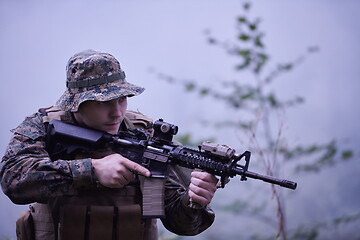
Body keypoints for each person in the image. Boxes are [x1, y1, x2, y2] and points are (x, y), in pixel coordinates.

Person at [0, 50, 219, 240]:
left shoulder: (144, 134)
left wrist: (194, 202)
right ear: (76, 104)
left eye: (122, 100)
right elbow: (13, 180)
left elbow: (180, 224)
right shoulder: (44, 126)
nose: (117, 113)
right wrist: (91, 170)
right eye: (103, 103)